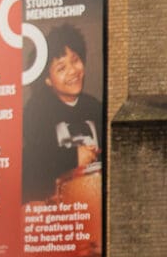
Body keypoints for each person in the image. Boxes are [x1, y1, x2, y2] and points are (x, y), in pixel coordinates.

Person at [20, 24, 104, 203]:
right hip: (57, 219)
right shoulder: (37, 111)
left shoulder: (96, 108)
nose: (73, 71)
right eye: (61, 68)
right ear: (48, 80)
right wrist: (73, 158)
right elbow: (35, 161)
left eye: (75, 60)